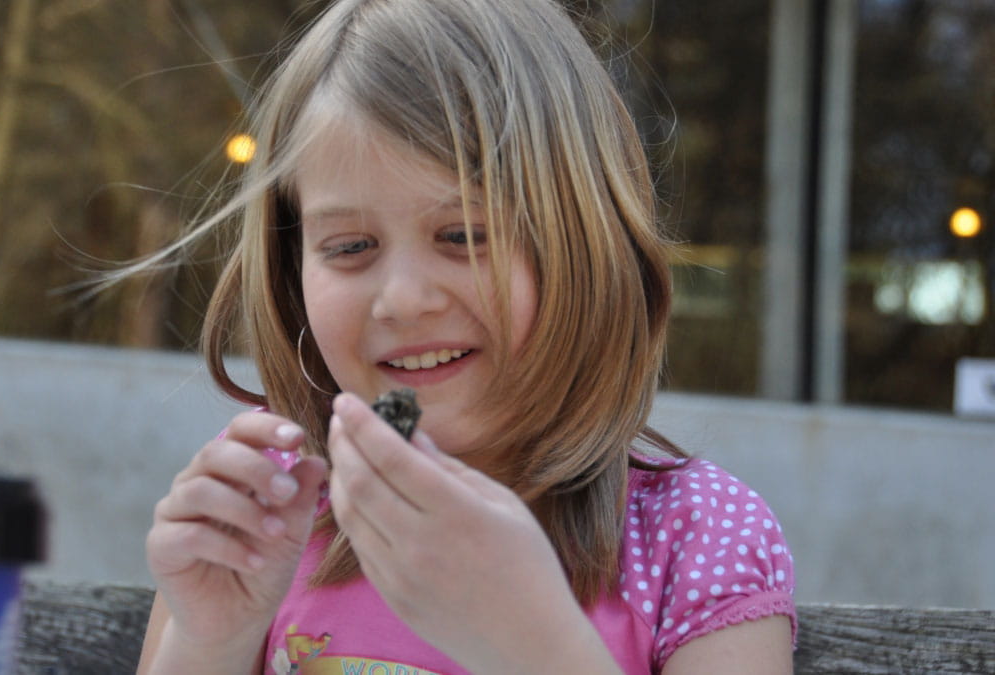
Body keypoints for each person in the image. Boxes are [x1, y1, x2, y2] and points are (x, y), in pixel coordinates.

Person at [135, 0, 797, 672]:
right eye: (351, 245)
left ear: (588, 246)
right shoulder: (273, 502)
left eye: (463, 236)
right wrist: (210, 639)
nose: (404, 299)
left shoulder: (695, 536)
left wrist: (527, 637)